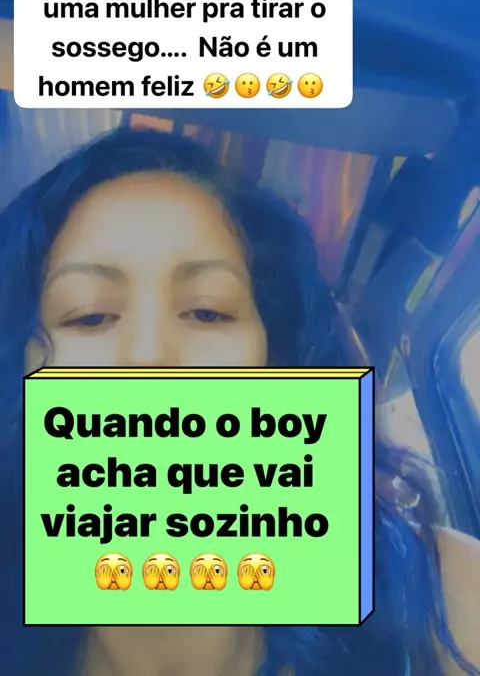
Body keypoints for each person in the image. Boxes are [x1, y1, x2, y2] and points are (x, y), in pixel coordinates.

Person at [0, 126, 479, 676]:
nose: (150, 357)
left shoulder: (440, 595)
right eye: (89, 315)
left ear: (273, 365)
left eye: (208, 311)